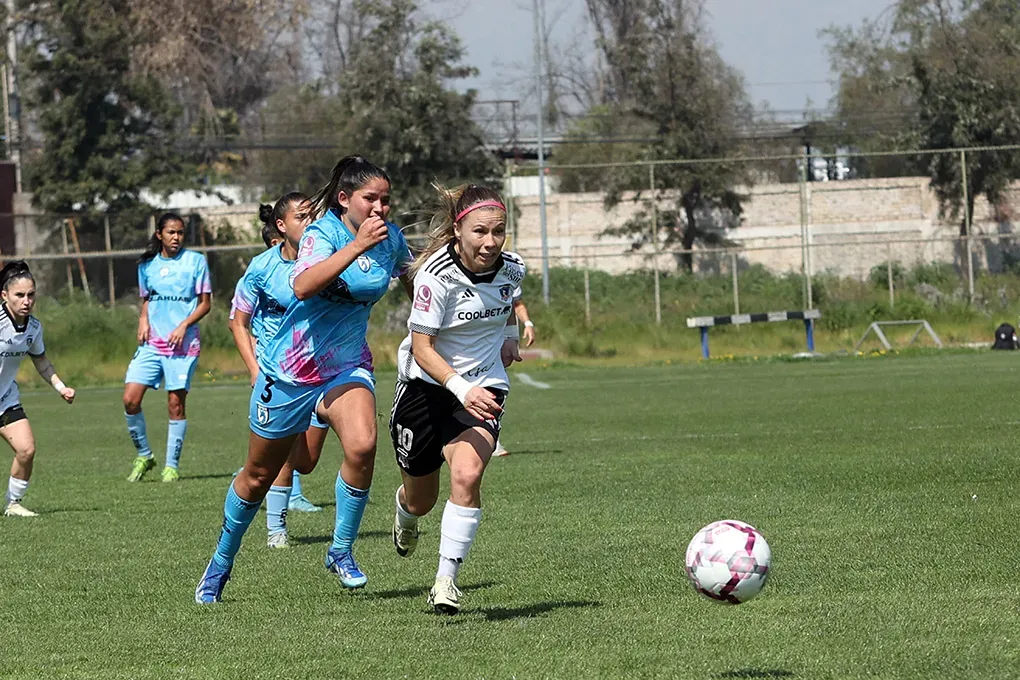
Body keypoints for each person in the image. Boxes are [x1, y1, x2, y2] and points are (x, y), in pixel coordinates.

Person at [196, 155, 412, 603]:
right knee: (258, 475)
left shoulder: (390, 239)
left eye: (386, 200)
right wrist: (355, 248)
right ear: (344, 198)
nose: (380, 208)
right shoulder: (320, 234)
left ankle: (341, 550)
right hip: (290, 370)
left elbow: (415, 277)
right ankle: (220, 563)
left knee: (363, 444)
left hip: (346, 365)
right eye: (370, 198)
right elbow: (302, 285)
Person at [388, 184, 525, 614]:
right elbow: (423, 348)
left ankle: (446, 580)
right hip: (425, 389)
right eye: (480, 231)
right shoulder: (435, 275)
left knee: (467, 475)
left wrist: (508, 336)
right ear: (458, 229)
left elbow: (507, 300)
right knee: (421, 500)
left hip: (483, 389)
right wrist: (460, 387)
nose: (490, 242)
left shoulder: (513, 267)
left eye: (499, 232)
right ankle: (405, 514)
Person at [228, 193, 329, 548]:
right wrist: (255, 369)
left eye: (315, 216)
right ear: (281, 226)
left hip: (323, 372)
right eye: (302, 217)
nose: (311, 223)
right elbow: (237, 323)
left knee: (307, 461)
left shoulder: (327, 261)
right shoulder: (262, 267)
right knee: (284, 453)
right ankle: (276, 530)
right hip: (278, 376)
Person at [124, 213, 212, 482]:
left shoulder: (196, 262)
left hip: (183, 346)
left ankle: (171, 466)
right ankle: (145, 455)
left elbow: (205, 303)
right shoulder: (147, 264)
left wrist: (184, 325)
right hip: (152, 344)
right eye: (171, 232)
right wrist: (142, 319)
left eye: (180, 233)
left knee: (175, 404)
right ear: (159, 235)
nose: (176, 237)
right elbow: (147, 299)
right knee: (130, 399)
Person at [0, 262, 76, 517]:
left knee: (26, 449)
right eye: (19, 295)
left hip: (5, 398)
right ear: (4, 295)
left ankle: (13, 504)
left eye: (30, 294)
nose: (26, 300)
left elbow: (41, 361)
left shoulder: (33, 328)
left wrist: (60, 387)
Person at [491, 297, 535, 457]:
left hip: (494, 341)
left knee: (492, 388)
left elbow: (513, 302)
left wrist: (514, 334)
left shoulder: (509, 272)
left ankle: (492, 440)